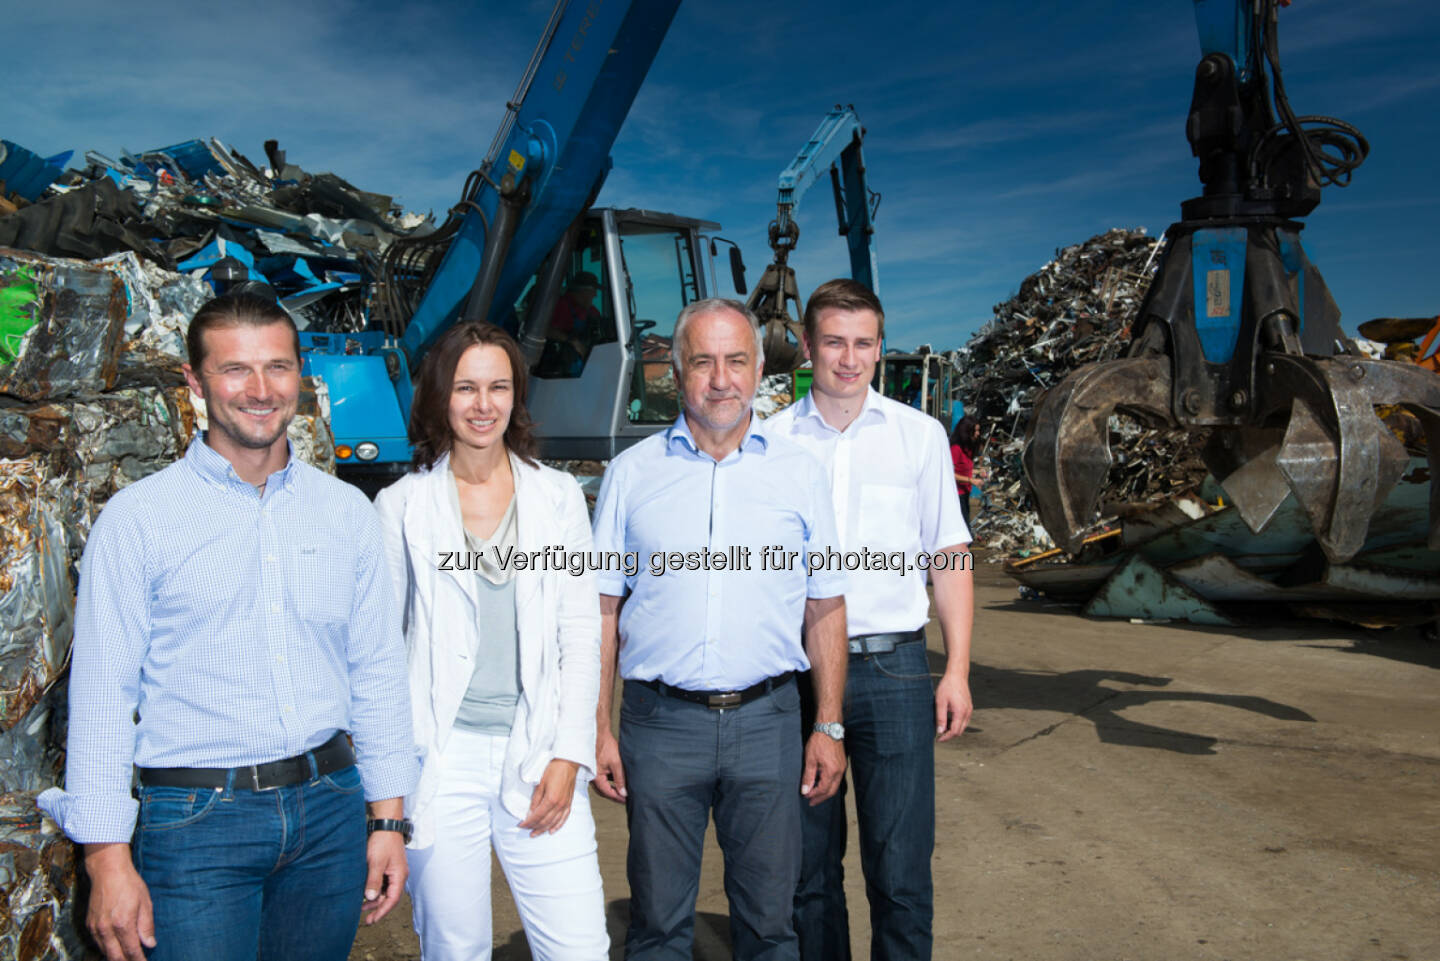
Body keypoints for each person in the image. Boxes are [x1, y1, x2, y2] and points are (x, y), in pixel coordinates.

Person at [37, 291, 418, 961]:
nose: (260, 389)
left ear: (302, 376)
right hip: (196, 826)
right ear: (194, 381)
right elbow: (101, 696)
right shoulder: (138, 521)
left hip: (329, 811)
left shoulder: (347, 513)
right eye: (235, 369)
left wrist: (387, 817)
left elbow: (378, 670)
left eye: (277, 366)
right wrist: (106, 858)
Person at [591, 299, 850, 960]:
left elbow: (824, 604)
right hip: (659, 726)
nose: (721, 378)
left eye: (736, 360)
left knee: (770, 925)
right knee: (657, 926)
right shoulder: (632, 474)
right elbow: (602, 610)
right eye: (702, 360)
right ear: (677, 372)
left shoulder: (798, 473)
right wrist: (598, 726)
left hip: (767, 725)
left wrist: (828, 723)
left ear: (759, 369)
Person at [374, 321, 608, 961]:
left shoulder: (558, 498)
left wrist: (569, 754)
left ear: (516, 395)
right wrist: (388, 790)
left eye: (498, 387)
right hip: (440, 761)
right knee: (456, 947)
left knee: (580, 948)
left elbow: (579, 634)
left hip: (537, 753)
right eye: (466, 387)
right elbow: (383, 656)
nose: (483, 405)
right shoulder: (400, 507)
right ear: (439, 398)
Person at [764, 279, 975, 961]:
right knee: (807, 875)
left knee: (902, 872)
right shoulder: (769, 444)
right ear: (807, 346)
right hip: (796, 676)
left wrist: (958, 669)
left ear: (880, 349)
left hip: (895, 670)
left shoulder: (919, 437)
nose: (848, 359)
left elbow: (950, 554)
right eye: (834, 342)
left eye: (862, 343)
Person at [950, 415, 984, 530]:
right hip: (956, 493)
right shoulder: (956, 449)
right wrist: (971, 480)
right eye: (975, 431)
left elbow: (964, 468)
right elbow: (950, 474)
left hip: (965, 491)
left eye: (978, 430)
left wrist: (978, 472)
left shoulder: (968, 448)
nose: (978, 434)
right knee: (964, 528)